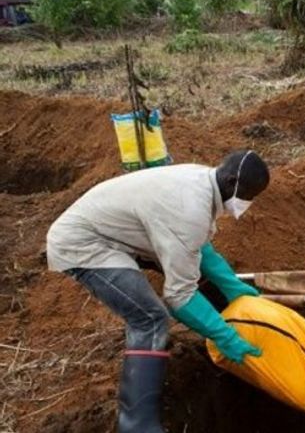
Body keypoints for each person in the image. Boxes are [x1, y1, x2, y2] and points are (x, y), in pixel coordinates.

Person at [46, 150, 271, 433]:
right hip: (85, 243)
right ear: (231, 179)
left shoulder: (202, 181)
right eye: (247, 195)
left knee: (184, 273)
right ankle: (137, 425)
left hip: (116, 231)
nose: (246, 203)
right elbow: (179, 296)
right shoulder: (190, 208)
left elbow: (198, 246)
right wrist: (224, 335)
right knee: (150, 318)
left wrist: (232, 286)